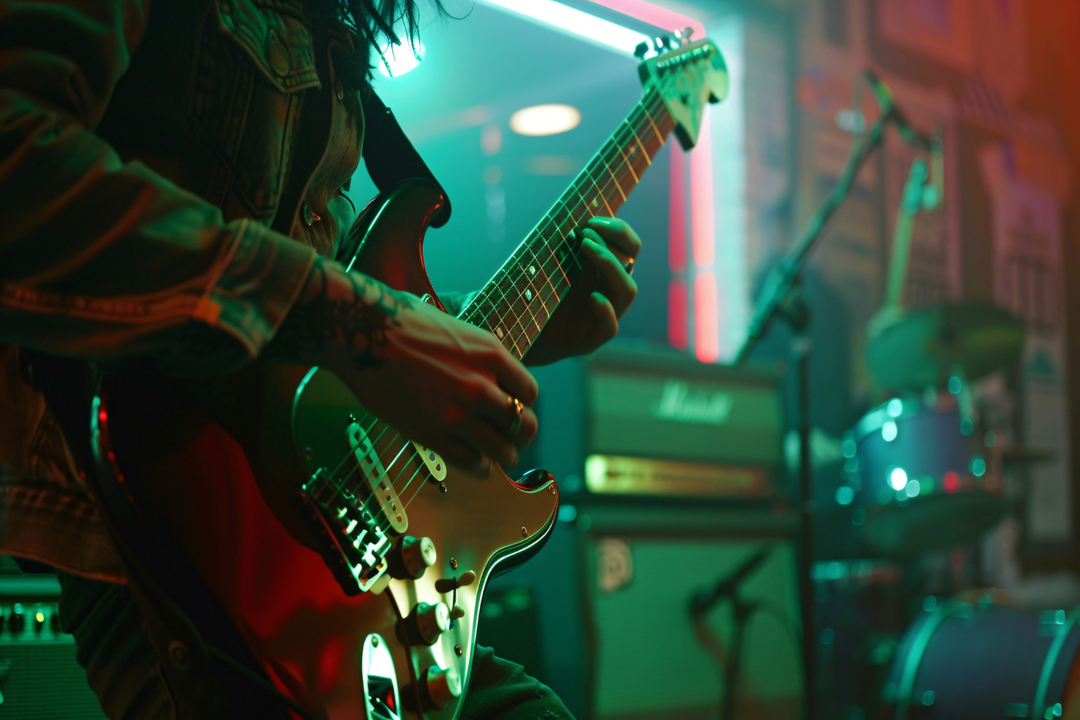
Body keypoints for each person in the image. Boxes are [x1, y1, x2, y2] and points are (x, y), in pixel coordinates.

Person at [0, 0, 641, 717]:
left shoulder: (327, 25)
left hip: (336, 561)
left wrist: (502, 334)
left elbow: (323, 288)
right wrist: (361, 326)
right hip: (163, 513)